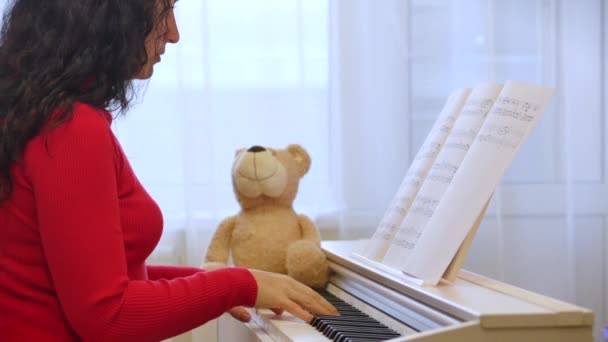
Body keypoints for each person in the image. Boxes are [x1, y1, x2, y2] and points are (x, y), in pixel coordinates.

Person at [0, 0, 338, 341]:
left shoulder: (38, 114)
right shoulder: (71, 129)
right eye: (164, 10)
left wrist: (219, 283)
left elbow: (89, 277)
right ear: (109, 13)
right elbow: (108, 316)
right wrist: (236, 284)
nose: (174, 34)